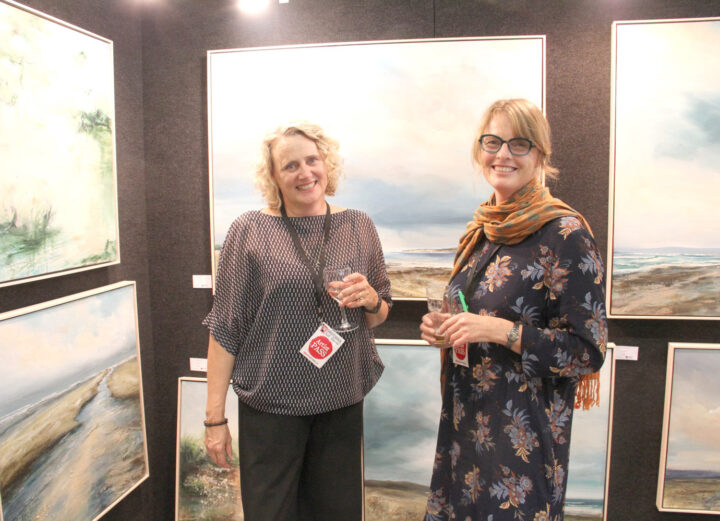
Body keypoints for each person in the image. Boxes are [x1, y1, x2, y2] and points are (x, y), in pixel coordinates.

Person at [420, 99, 607, 521]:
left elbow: (586, 351)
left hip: (523, 442)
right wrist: (443, 329)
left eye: (519, 144)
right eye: (493, 142)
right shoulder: (482, 230)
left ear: (540, 155)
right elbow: (471, 314)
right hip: (466, 426)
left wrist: (499, 331)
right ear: (479, 150)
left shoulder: (565, 233)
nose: (502, 154)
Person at [203, 121, 391, 521]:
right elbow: (225, 329)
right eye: (290, 166)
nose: (305, 173)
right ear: (273, 176)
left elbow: (378, 316)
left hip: (340, 404)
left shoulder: (359, 226)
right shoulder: (249, 231)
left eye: (312, 160)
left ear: (326, 163)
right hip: (271, 408)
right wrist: (214, 419)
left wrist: (372, 300)